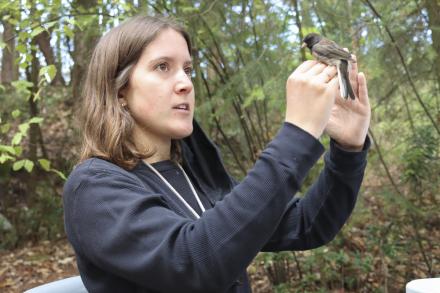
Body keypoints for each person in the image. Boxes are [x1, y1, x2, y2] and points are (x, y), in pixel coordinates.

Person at [63, 15, 371, 293]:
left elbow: (306, 223)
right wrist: (297, 134)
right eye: (162, 67)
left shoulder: (195, 175)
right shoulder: (94, 188)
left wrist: (348, 148)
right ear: (119, 92)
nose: (185, 83)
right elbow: (193, 264)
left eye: (187, 69)